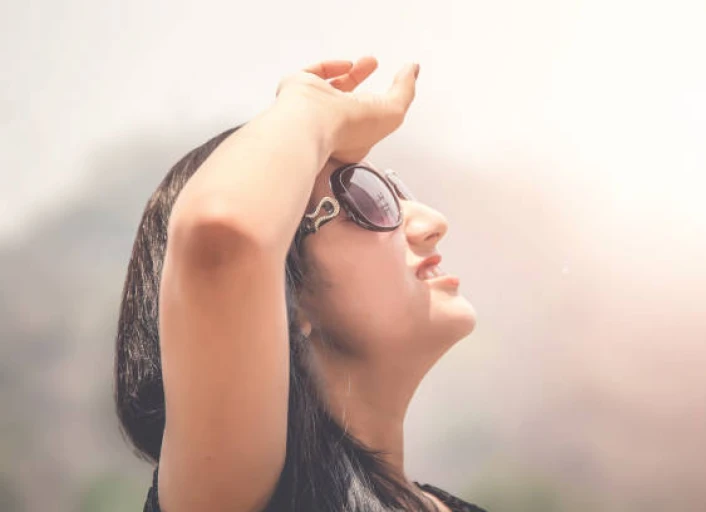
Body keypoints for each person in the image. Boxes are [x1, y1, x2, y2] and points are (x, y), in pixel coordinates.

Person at [114, 56, 485, 511]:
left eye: (400, 192)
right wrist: (309, 106)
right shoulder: (242, 491)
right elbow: (223, 232)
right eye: (368, 196)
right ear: (286, 294)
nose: (432, 222)